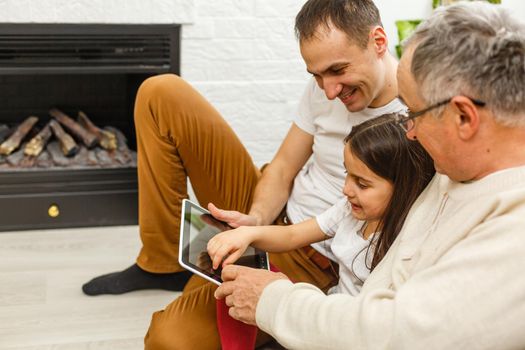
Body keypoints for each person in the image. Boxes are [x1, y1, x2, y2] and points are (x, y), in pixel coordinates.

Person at [82, 0, 403, 348]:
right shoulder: (325, 87)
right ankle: (161, 264)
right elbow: (282, 168)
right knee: (161, 93)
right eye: (317, 75)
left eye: (338, 71)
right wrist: (255, 219)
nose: (328, 90)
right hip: (270, 211)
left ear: (379, 41)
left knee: (168, 340)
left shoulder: (415, 121)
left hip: (315, 254)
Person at [214, 2, 525, 349]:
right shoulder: (457, 169)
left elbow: (399, 332)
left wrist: (273, 300)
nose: (409, 132)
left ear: (464, 118)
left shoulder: (512, 231)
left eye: (413, 113)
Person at [208, 114, 435, 298]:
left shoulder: (405, 245)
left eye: (362, 184)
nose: (346, 189)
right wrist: (248, 234)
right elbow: (293, 235)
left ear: (404, 187)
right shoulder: (348, 210)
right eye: (347, 174)